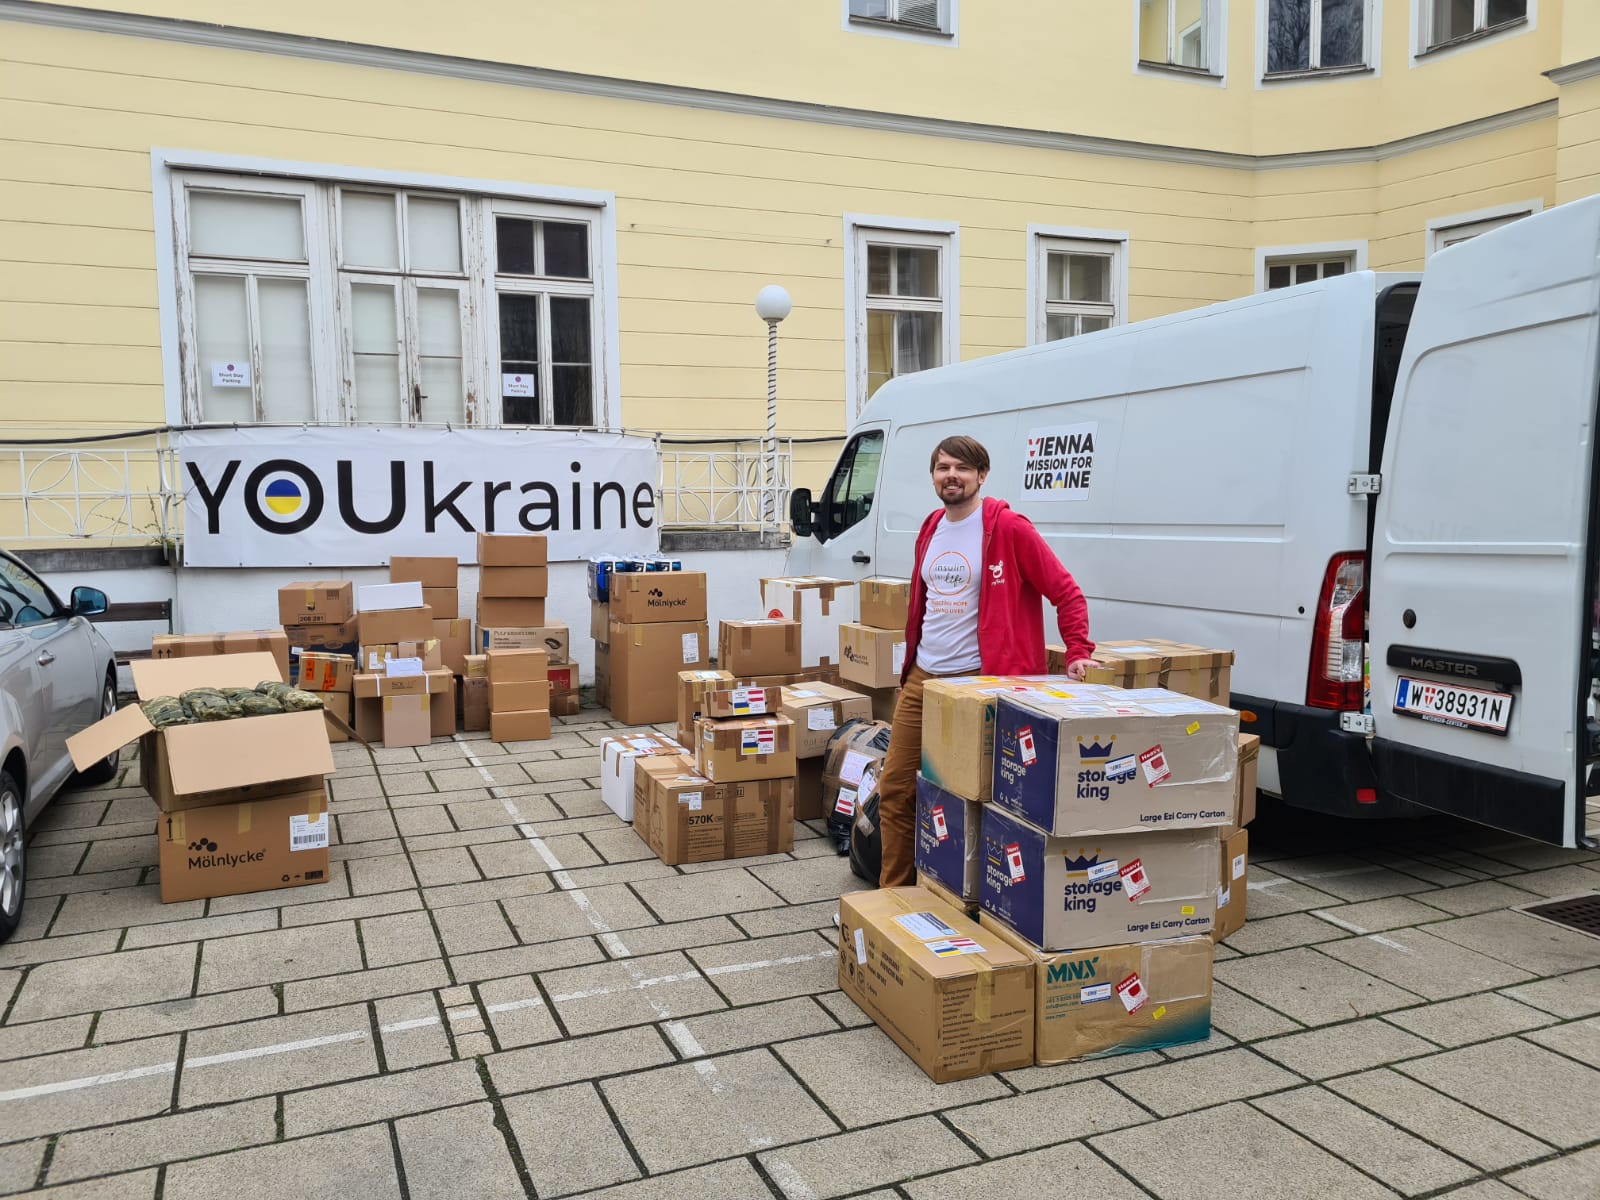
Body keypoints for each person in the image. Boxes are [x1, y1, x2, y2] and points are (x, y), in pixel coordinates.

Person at [877, 434, 1096, 889]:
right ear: (934, 476)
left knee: (981, 798)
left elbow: (1066, 592)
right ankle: (893, 899)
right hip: (924, 679)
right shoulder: (931, 526)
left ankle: (980, 897)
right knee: (896, 790)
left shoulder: (1009, 528)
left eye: (961, 468)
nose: (951, 476)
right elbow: (926, 603)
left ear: (982, 475)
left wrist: (1078, 652)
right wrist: (909, 670)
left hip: (982, 683)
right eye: (942, 468)